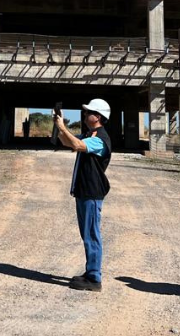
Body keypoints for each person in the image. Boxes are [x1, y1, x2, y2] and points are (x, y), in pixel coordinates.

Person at [53, 98, 112, 292]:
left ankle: (94, 278)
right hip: (84, 192)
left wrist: (63, 127)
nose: (85, 115)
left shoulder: (99, 139)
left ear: (98, 117)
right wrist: (59, 127)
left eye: (89, 113)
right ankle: (90, 273)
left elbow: (77, 145)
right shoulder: (89, 134)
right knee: (87, 233)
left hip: (92, 193)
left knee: (92, 235)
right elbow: (67, 142)